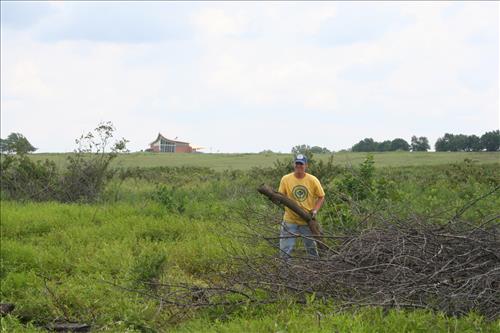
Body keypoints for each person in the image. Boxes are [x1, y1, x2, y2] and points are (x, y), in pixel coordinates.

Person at [278, 154, 325, 257]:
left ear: (306, 166)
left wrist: (315, 210)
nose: (299, 166)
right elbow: (281, 196)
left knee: (312, 250)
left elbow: (321, 196)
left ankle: (314, 271)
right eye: (297, 164)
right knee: (285, 251)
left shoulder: (313, 180)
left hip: (307, 220)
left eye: (301, 164)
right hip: (290, 220)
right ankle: (284, 272)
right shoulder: (285, 179)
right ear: (294, 165)